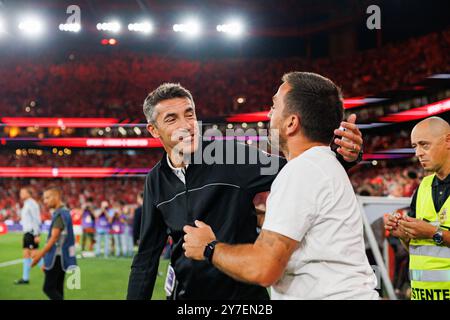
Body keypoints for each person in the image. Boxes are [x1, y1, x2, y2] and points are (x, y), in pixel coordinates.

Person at [127, 82, 363, 300]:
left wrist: (344, 155)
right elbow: (146, 257)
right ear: (154, 130)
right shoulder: (155, 180)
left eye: (190, 114)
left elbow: (300, 168)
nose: (185, 125)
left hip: (242, 298)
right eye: (171, 119)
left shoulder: (231, 156)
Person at [183, 72, 378, 300]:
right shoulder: (321, 164)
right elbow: (306, 232)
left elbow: (264, 269)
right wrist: (248, 215)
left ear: (291, 122)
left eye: (274, 106)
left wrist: (208, 247)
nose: (269, 114)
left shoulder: (300, 171)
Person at [385, 116, 450, 300]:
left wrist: (432, 233)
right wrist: (405, 235)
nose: (418, 153)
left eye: (424, 145)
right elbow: (418, 249)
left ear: (448, 141)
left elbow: (431, 235)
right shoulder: (423, 187)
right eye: (415, 146)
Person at [31, 186, 77, 300]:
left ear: (56, 197)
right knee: (58, 288)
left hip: (56, 257)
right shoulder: (65, 212)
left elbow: (54, 238)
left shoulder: (60, 214)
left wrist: (39, 256)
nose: (45, 201)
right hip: (63, 257)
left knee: (48, 288)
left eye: (47, 197)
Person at [15, 187, 42, 285]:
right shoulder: (26, 204)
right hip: (27, 233)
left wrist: (37, 234)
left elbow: (36, 219)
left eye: (23, 192)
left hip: (32, 232)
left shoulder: (32, 204)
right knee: (26, 254)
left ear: (29, 193)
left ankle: (50, 274)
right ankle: (25, 278)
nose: (20, 194)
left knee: (35, 255)